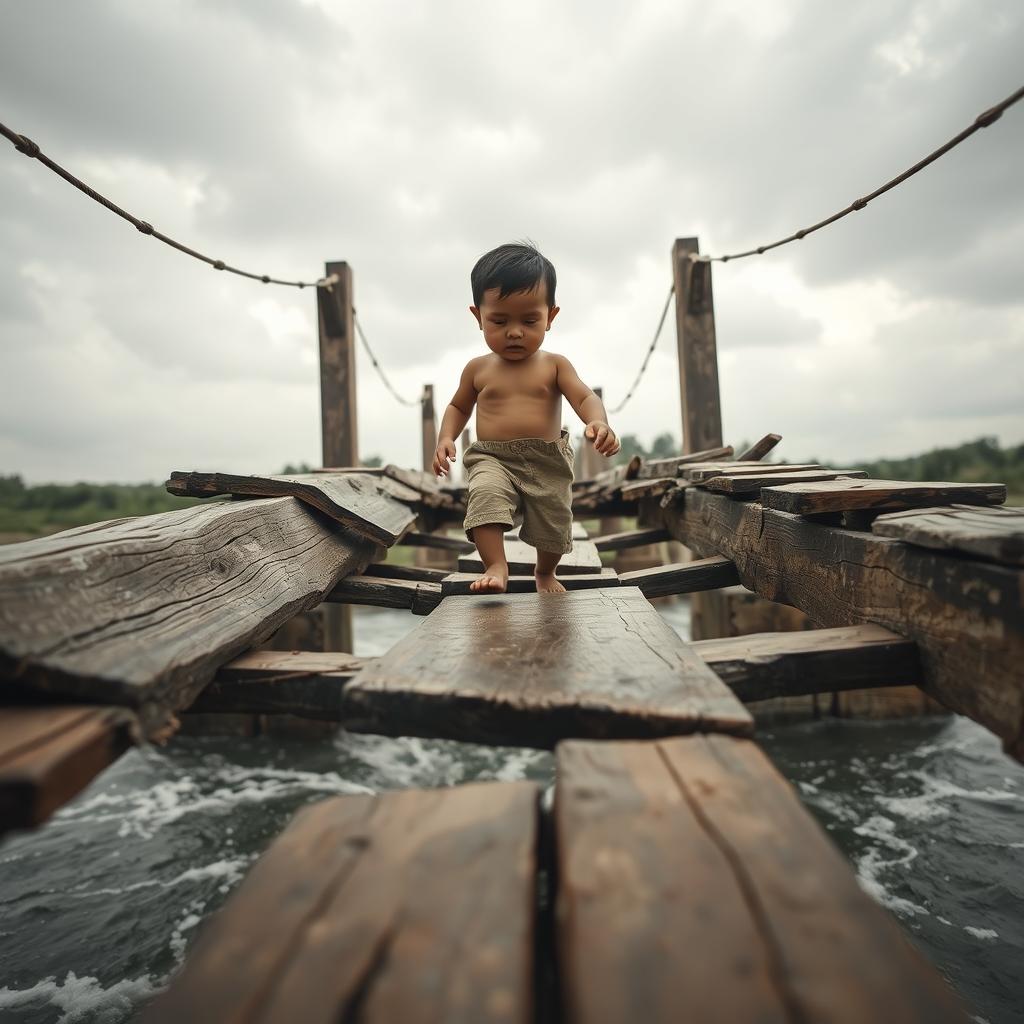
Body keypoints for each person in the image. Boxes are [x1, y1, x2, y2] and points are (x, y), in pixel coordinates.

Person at [432, 241, 620, 594]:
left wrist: (598, 422)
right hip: (493, 457)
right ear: (478, 317)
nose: (515, 331)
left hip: (546, 460)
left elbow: (584, 396)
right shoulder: (478, 369)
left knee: (554, 522)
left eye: (529, 320)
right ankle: (496, 564)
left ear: (550, 316)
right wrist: (446, 438)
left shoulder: (555, 365)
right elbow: (458, 407)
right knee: (485, 495)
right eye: (499, 321)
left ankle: (544, 572)